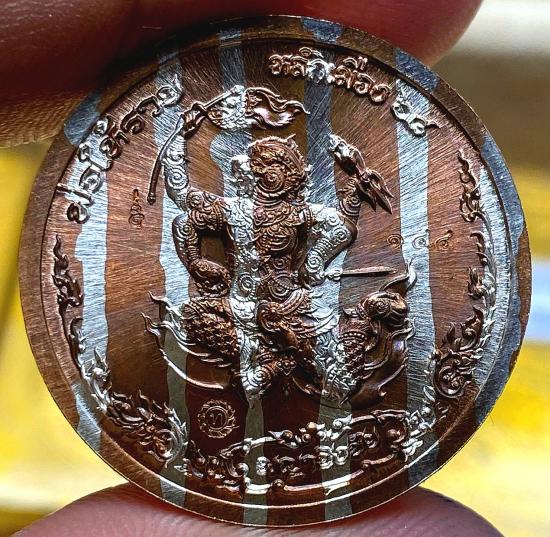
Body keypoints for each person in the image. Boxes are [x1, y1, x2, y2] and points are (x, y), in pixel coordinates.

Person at [3, 1, 502, 535]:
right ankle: (271, 361)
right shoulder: (234, 210)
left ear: (290, 175)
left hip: (294, 302)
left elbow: (340, 229)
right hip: (240, 303)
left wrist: (318, 259)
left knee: (334, 375)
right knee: (222, 345)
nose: (268, 175)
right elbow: (185, 211)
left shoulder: (304, 213)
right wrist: (198, 257)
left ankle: (285, 363)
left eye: (276, 168)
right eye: (262, 167)